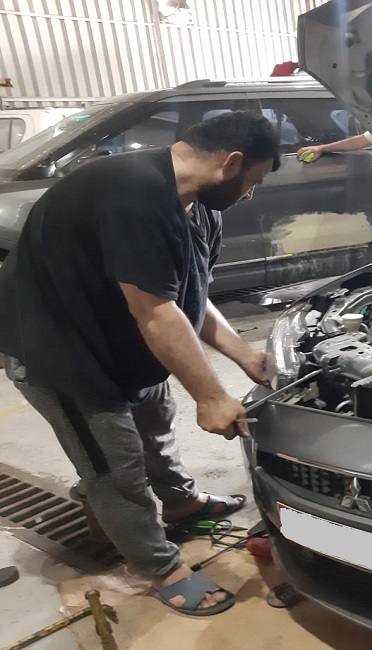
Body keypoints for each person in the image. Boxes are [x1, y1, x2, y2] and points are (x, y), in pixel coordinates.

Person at [0, 111, 280, 617]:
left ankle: (180, 502)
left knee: (156, 424)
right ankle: (158, 567)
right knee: (116, 468)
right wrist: (210, 396)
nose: (250, 194)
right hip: (60, 352)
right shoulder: (132, 194)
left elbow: (189, 295)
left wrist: (244, 355)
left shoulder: (199, 208)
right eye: (253, 181)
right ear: (231, 162)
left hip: (121, 342)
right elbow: (154, 311)